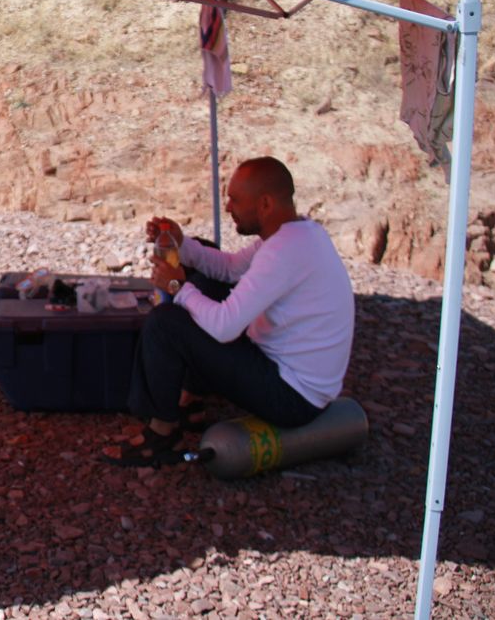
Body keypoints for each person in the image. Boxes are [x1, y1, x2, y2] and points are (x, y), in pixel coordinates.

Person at [104, 156, 355, 467]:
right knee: (204, 269)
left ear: (265, 204)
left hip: (292, 398)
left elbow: (224, 327)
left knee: (165, 323)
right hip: (296, 380)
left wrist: (178, 288)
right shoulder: (298, 234)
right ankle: (190, 402)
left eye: (235, 200)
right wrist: (181, 244)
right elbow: (230, 268)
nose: (228, 207)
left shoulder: (284, 251)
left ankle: (161, 435)